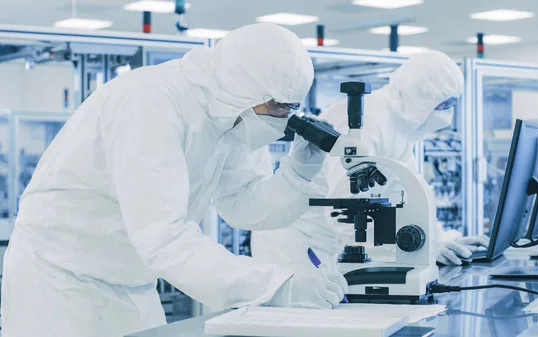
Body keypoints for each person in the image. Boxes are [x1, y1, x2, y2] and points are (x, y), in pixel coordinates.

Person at [1, 23, 347, 337]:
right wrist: (275, 286)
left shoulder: (229, 116)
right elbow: (164, 237)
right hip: (60, 283)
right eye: (277, 107)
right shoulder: (150, 103)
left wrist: (297, 172)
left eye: (289, 109)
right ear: (246, 88)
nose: (282, 119)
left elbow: (241, 205)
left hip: (132, 284)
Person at [252, 50, 490, 270]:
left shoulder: (402, 127)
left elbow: (409, 193)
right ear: (422, 97)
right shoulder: (370, 120)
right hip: (300, 247)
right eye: (443, 105)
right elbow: (342, 212)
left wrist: (442, 240)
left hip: (330, 245)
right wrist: (415, 249)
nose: (447, 114)